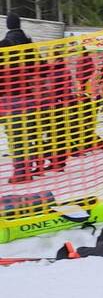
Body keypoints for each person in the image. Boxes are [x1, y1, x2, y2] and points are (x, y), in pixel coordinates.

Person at [0, 12, 38, 183]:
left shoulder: (4, 45)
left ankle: (21, 172)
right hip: (30, 96)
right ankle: (29, 168)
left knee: (15, 136)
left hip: (11, 97)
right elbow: (40, 68)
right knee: (28, 134)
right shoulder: (30, 45)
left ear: (8, 25)